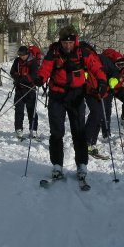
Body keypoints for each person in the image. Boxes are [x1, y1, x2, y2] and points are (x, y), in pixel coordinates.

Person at [35, 25, 107, 182]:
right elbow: (45, 68)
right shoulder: (54, 52)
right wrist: (40, 78)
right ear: (60, 41)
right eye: (64, 43)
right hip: (57, 96)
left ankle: (81, 164)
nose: (67, 45)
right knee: (57, 132)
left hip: (76, 96)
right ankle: (57, 165)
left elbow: (96, 66)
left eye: (70, 42)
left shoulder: (83, 51)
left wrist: (102, 81)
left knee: (78, 132)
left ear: (75, 40)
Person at [9, 45, 39, 140]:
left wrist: (23, 79)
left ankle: (33, 129)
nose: (21, 57)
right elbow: (12, 71)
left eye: (23, 55)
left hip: (30, 90)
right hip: (19, 89)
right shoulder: (17, 61)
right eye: (20, 55)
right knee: (19, 110)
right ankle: (18, 129)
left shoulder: (33, 62)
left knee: (32, 110)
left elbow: (34, 76)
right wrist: (16, 77)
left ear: (27, 54)